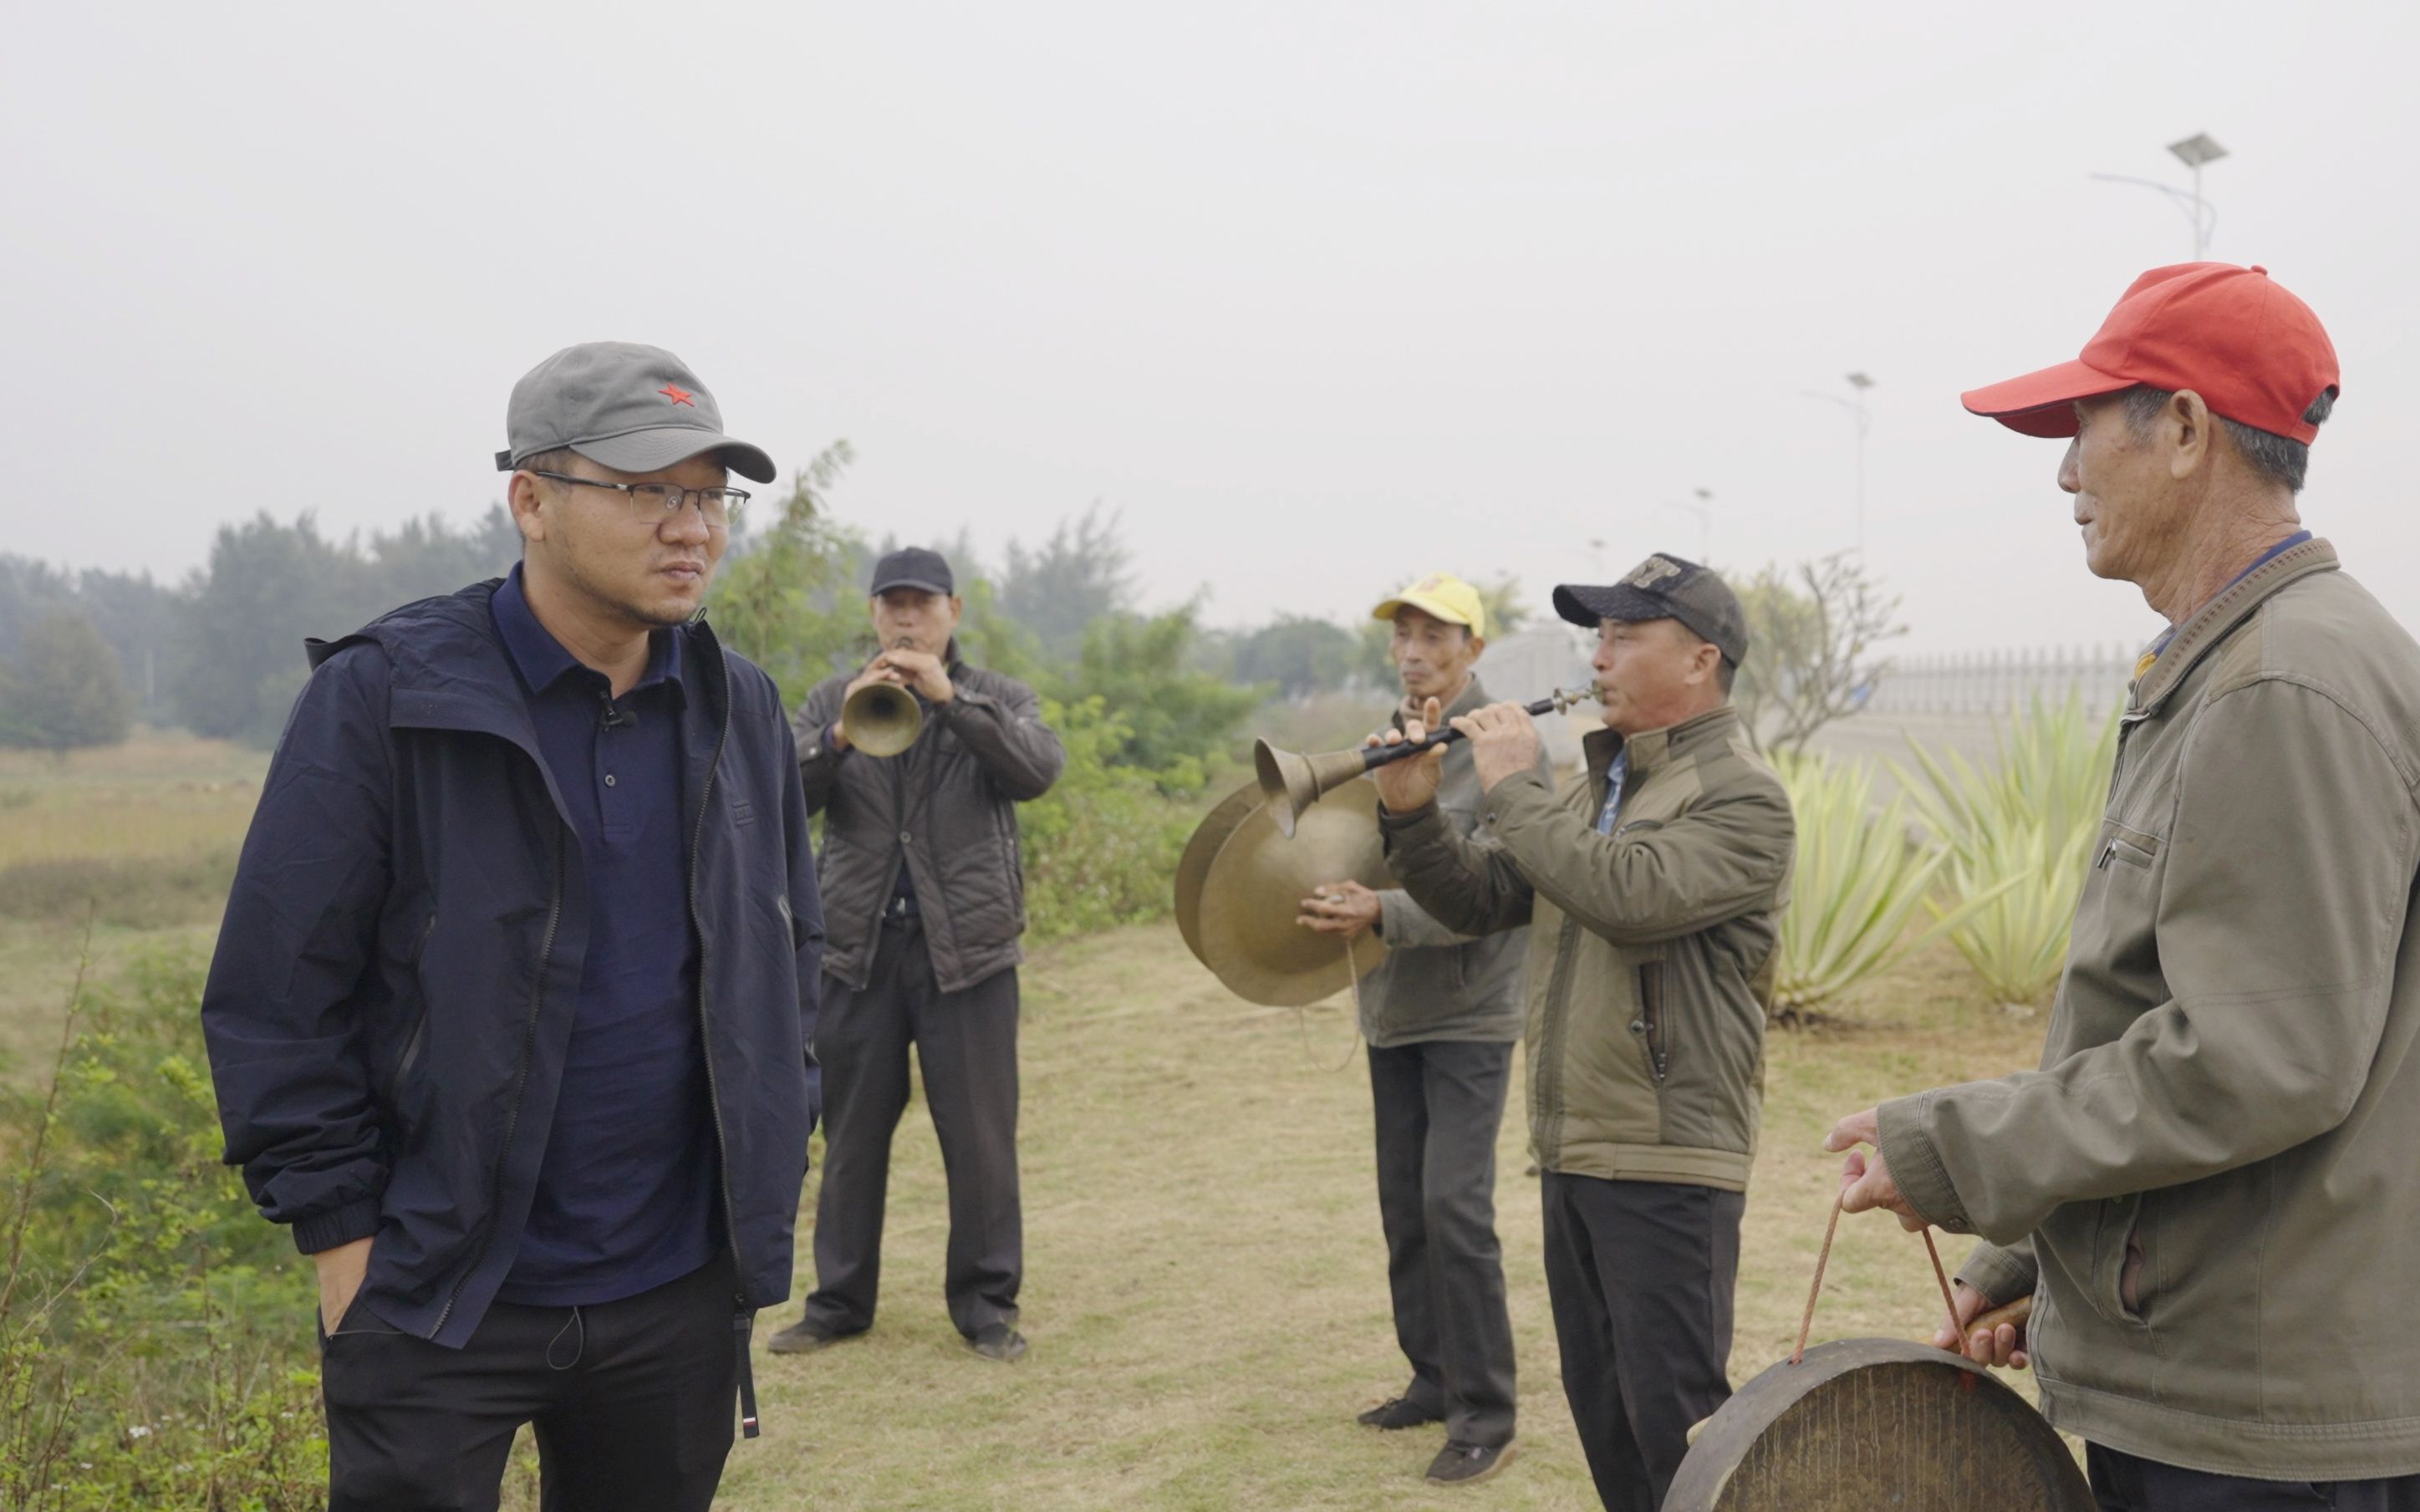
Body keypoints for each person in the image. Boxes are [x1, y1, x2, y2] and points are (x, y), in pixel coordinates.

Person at [1825, 263, 2420, 1511]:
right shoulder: (2232, 666)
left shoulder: (2279, 684)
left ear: (2188, 430)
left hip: (2257, 1415)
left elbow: (2258, 1057)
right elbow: (2177, 1019)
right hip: (2214, 1359)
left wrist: (1949, 1146)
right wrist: (2034, 1251)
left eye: (2081, 431)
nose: (2060, 475)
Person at [200, 342, 824, 1512]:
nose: (689, 526)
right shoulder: (388, 697)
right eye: (645, 490)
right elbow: (278, 989)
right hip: (440, 1293)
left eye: (708, 494)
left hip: (675, 1292)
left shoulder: (737, 703)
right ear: (530, 499)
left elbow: (790, 944)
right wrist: (342, 1236)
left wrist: (779, 1132)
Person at [1374, 555, 1792, 1512]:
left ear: (1699, 659)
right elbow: (1485, 897)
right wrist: (1411, 814)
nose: (1596, 658)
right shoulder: (1600, 786)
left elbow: (1629, 896)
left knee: (1678, 1423)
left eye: (1622, 636)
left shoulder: (1740, 796)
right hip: (1576, 1144)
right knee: (1605, 1415)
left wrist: (1512, 785)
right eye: (1595, 637)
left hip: (1667, 1155)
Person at [767, 547, 1065, 1363]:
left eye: (922, 604)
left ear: (953, 613)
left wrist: (952, 702)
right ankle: (836, 1303)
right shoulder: (833, 698)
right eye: (892, 604)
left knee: (979, 1139)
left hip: (967, 952)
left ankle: (986, 1307)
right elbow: (780, 796)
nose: (906, 618)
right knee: (851, 1136)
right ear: (872, 614)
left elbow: (1038, 769)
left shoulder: (999, 697)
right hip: (858, 950)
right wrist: (840, 733)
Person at [1296, 573, 1543, 1488]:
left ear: (1475, 650)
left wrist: (1382, 915)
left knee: (1455, 1208)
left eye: (1436, 636)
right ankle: (1433, 1378)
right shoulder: (1387, 737)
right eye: (1403, 634)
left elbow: (1497, 889)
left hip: (1473, 1010)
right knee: (1406, 1205)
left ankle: (1487, 1412)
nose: (1413, 651)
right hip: (1393, 1005)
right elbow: (1369, 856)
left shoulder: (1505, 747)